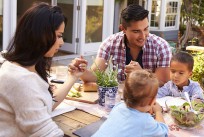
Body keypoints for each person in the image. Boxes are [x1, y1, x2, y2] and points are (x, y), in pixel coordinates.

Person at [0, 3, 87, 136]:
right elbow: (48, 133)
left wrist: (73, 77)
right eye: (58, 35)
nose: (62, 42)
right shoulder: (19, 79)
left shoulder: (27, 67)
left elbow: (45, 105)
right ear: (40, 35)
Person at [69, 4, 171, 86]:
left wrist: (142, 74)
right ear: (123, 29)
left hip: (151, 101)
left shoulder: (161, 46)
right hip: (120, 99)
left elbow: (164, 82)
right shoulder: (110, 43)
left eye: (145, 29)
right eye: (136, 31)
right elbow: (95, 76)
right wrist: (81, 71)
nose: (143, 36)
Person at [92, 70, 168, 137]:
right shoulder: (145, 121)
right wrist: (158, 112)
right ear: (152, 101)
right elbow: (163, 132)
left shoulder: (118, 106)